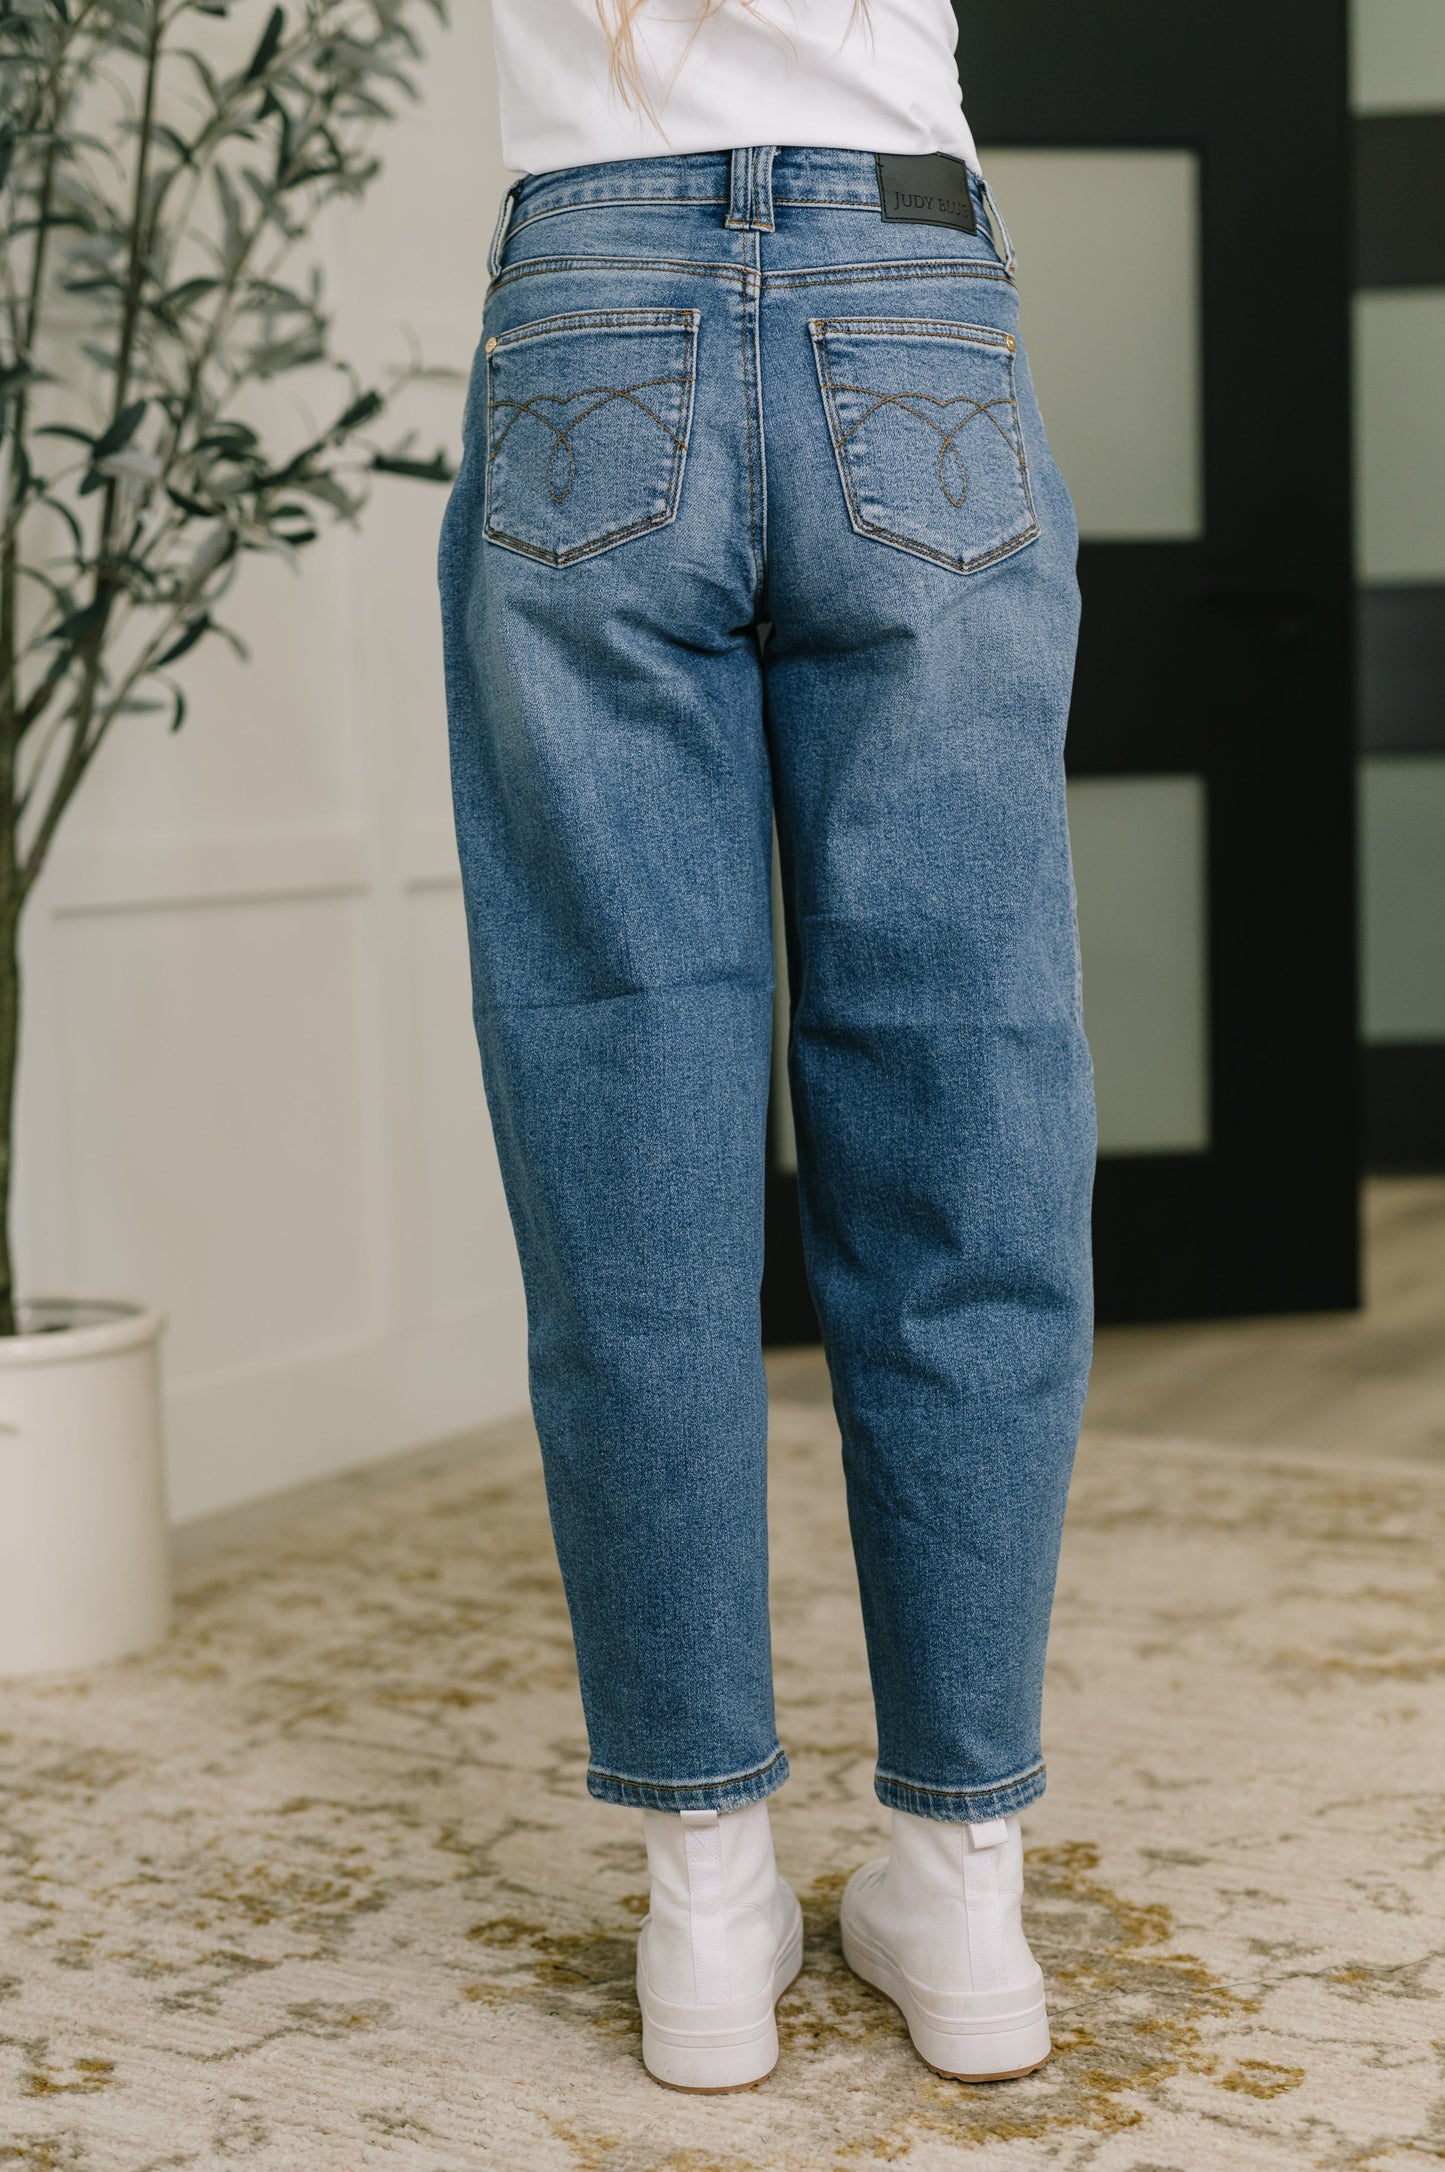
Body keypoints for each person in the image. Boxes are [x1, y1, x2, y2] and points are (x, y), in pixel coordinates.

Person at [436, 0, 1096, 2095]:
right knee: (966, 1102)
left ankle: (708, 1898)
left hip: (589, 290)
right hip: (907, 285)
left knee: (620, 1114)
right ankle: (961, 1878)